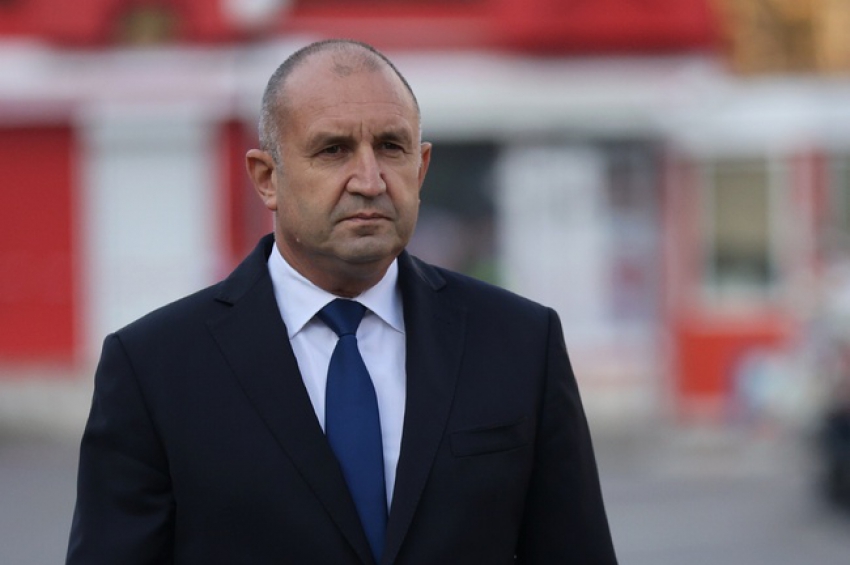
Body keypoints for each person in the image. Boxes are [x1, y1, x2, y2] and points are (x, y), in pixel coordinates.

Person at [66, 39, 618, 564]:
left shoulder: (521, 343)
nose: (370, 180)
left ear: (421, 168)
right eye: (333, 150)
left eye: (391, 147)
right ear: (267, 178)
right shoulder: (154, 368)